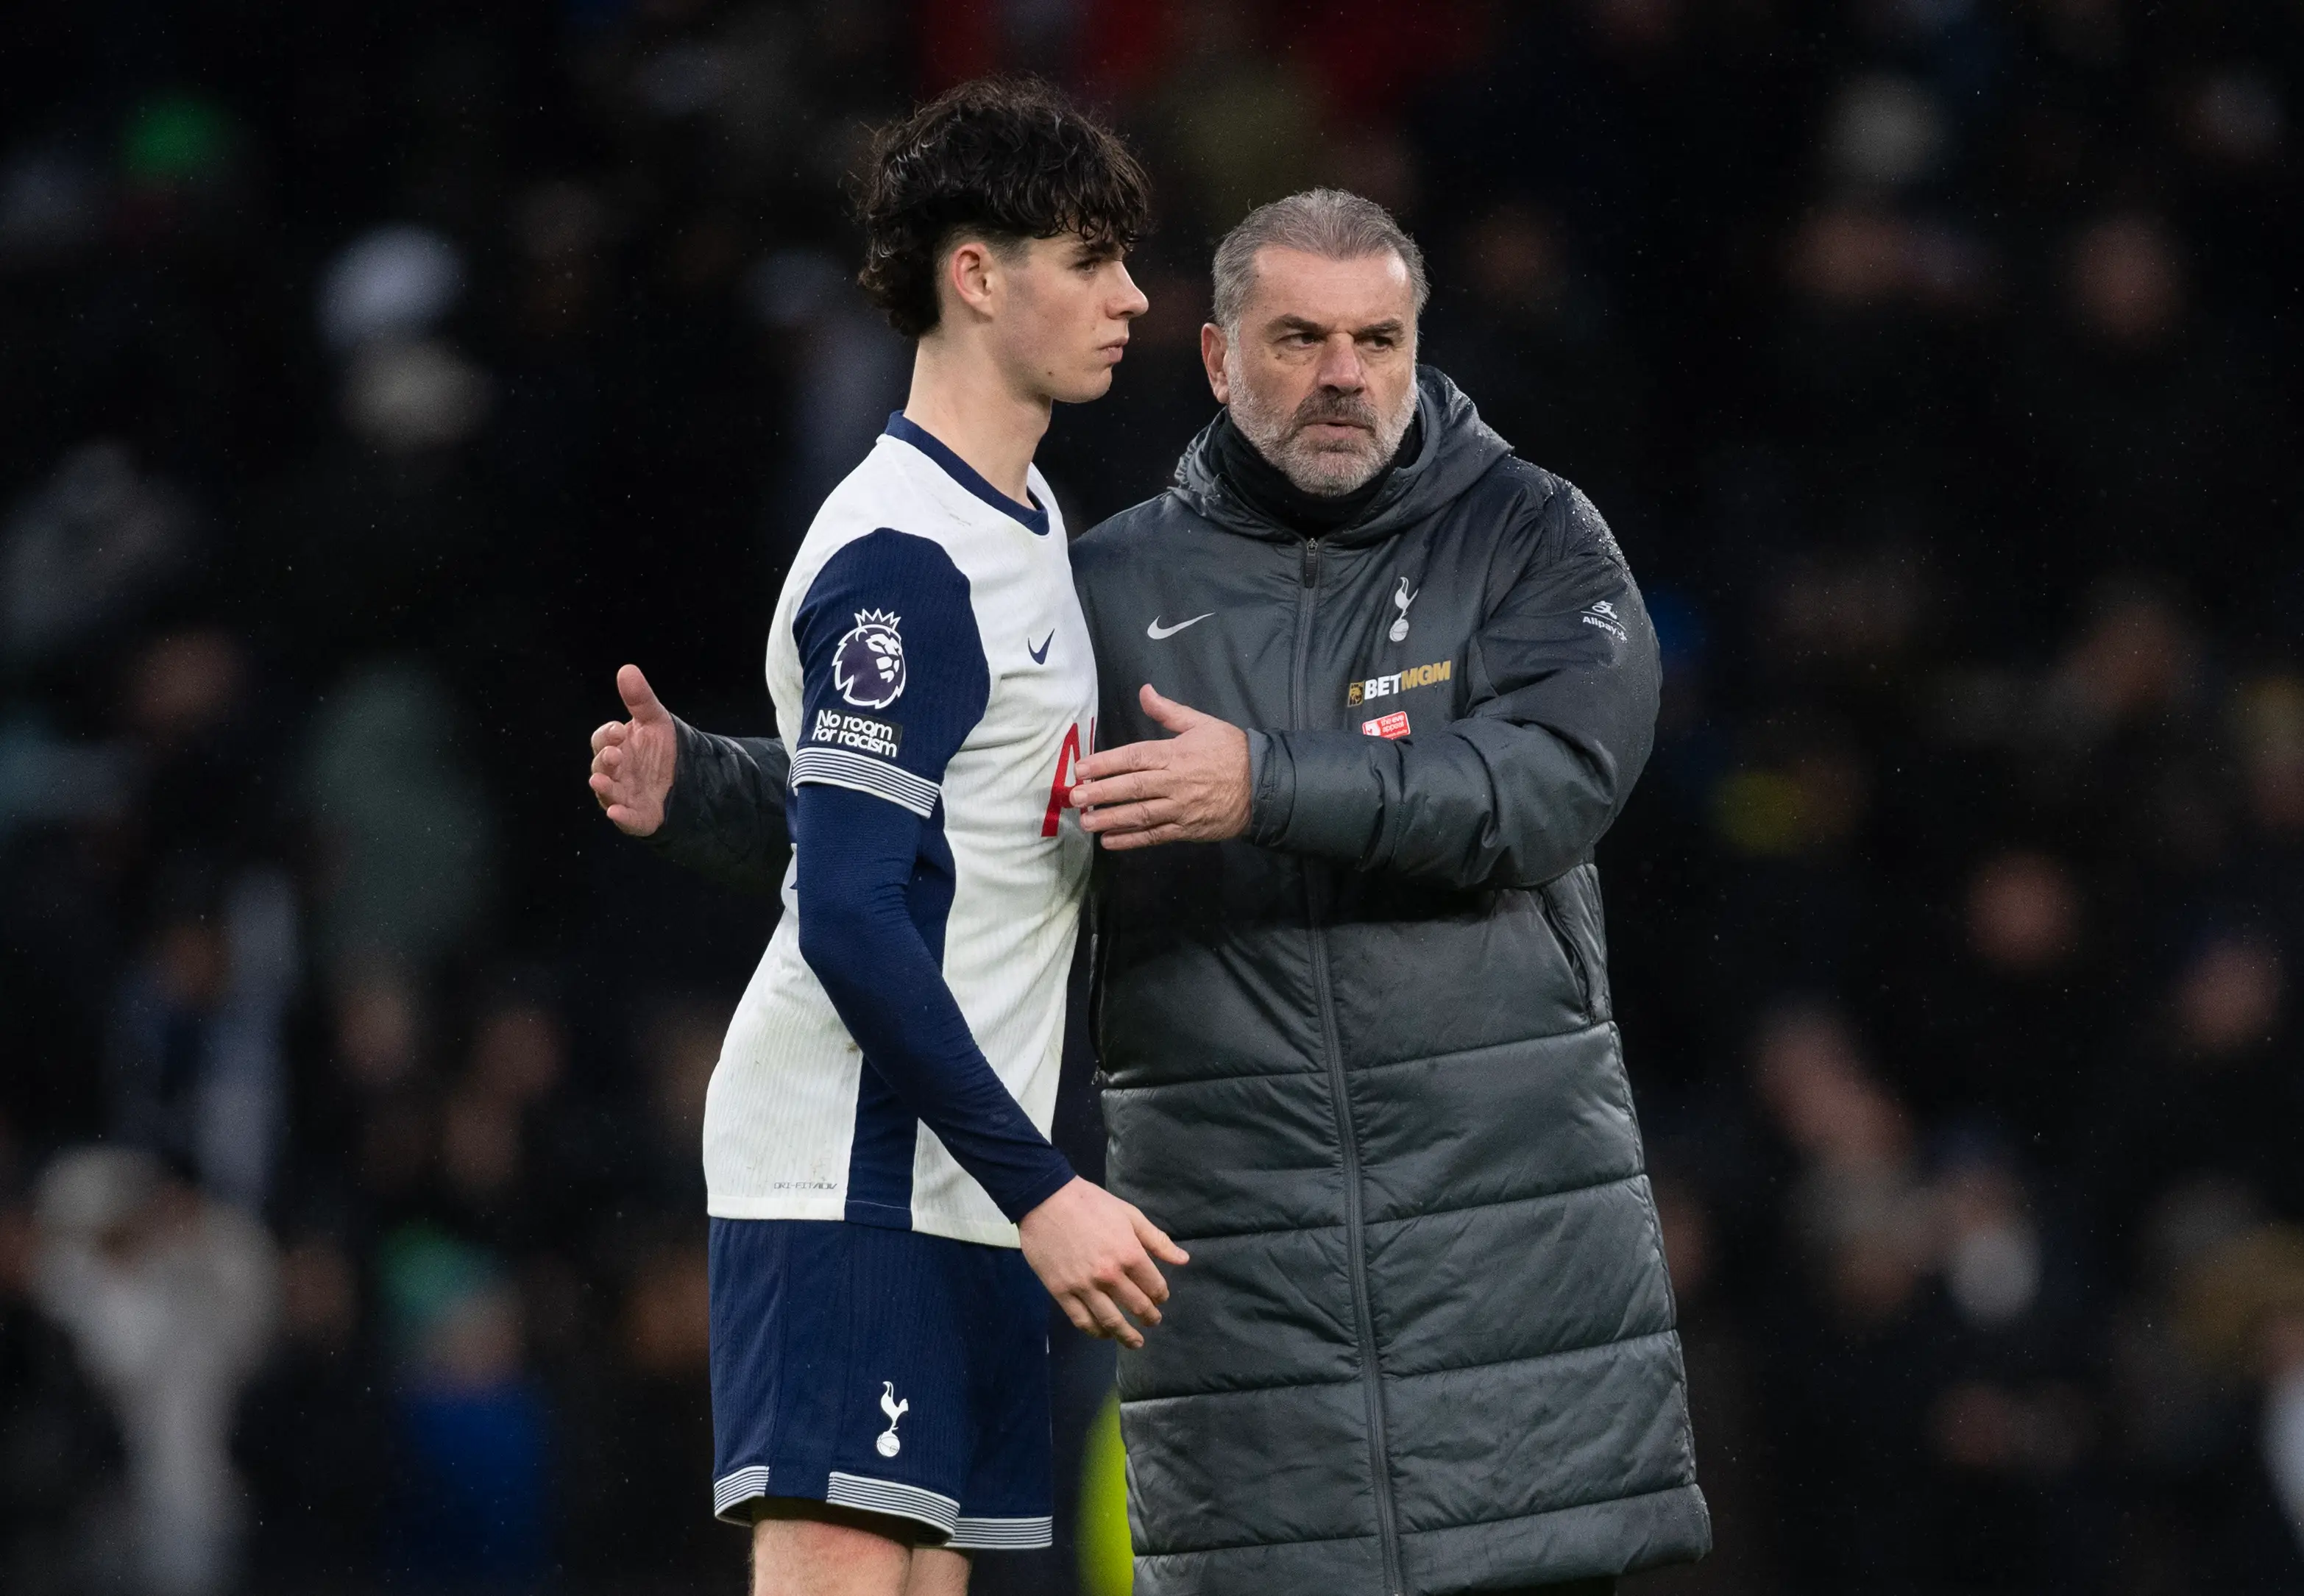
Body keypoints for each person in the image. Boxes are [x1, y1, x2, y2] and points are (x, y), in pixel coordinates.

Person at [603, 190, 1708, 1595]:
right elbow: (965, 816)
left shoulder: (1532, 539)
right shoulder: (1106, 586)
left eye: (1377, 340)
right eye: (1298, 339)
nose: (1343, 375)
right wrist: (707, 786)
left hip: (1505, 1274)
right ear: (1216, 357)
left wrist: (1262, 786)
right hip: (1240, 1293)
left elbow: (1550, 786)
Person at [587, 78, 1185, 1596]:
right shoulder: (905, 559)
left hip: (959, 1173)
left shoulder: (1028, 521)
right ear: (975, 276)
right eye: (1090, 259)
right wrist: (1047, 1189)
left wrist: (715, 786)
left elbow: (936, 833)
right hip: (856, 1171)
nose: (1129, 296)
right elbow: (855, 917)